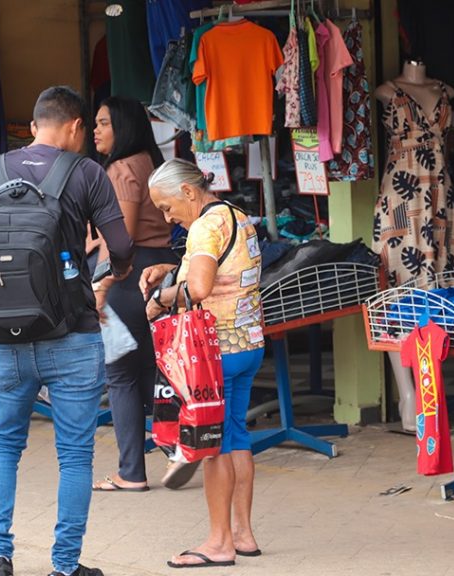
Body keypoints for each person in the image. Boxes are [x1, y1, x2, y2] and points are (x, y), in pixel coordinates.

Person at [0, 86, 134, 576]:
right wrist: (114, 269)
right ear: (75, 126)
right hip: (72, 334)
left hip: (3, 341)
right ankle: (64, 565)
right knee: (74, 455)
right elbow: (121, 243)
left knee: (4, 445)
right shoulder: (87, 173)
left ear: (35, 126)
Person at [140, 159, 265, 568]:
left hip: (218, 352)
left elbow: (199, 287)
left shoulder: (203, 227)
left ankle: (218, 543)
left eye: (167, 206)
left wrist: (159, 300)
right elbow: (220, 269)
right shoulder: (237, 217)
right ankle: (244, 535)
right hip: (249, 344)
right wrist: (170, 269)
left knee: (212, 447)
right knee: (236, 435)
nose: (167, 215)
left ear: (190, 192)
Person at [90, 96, 176, 493]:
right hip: (158, 266)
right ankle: (176, 447)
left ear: (121, 127)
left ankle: (131, 472)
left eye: (104, 123)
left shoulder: (122, 168)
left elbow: (121, 236)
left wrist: (103, 283)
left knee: (120, 373)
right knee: (146, 367)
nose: (96, 130)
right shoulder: (148, 161)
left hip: (129, 275)